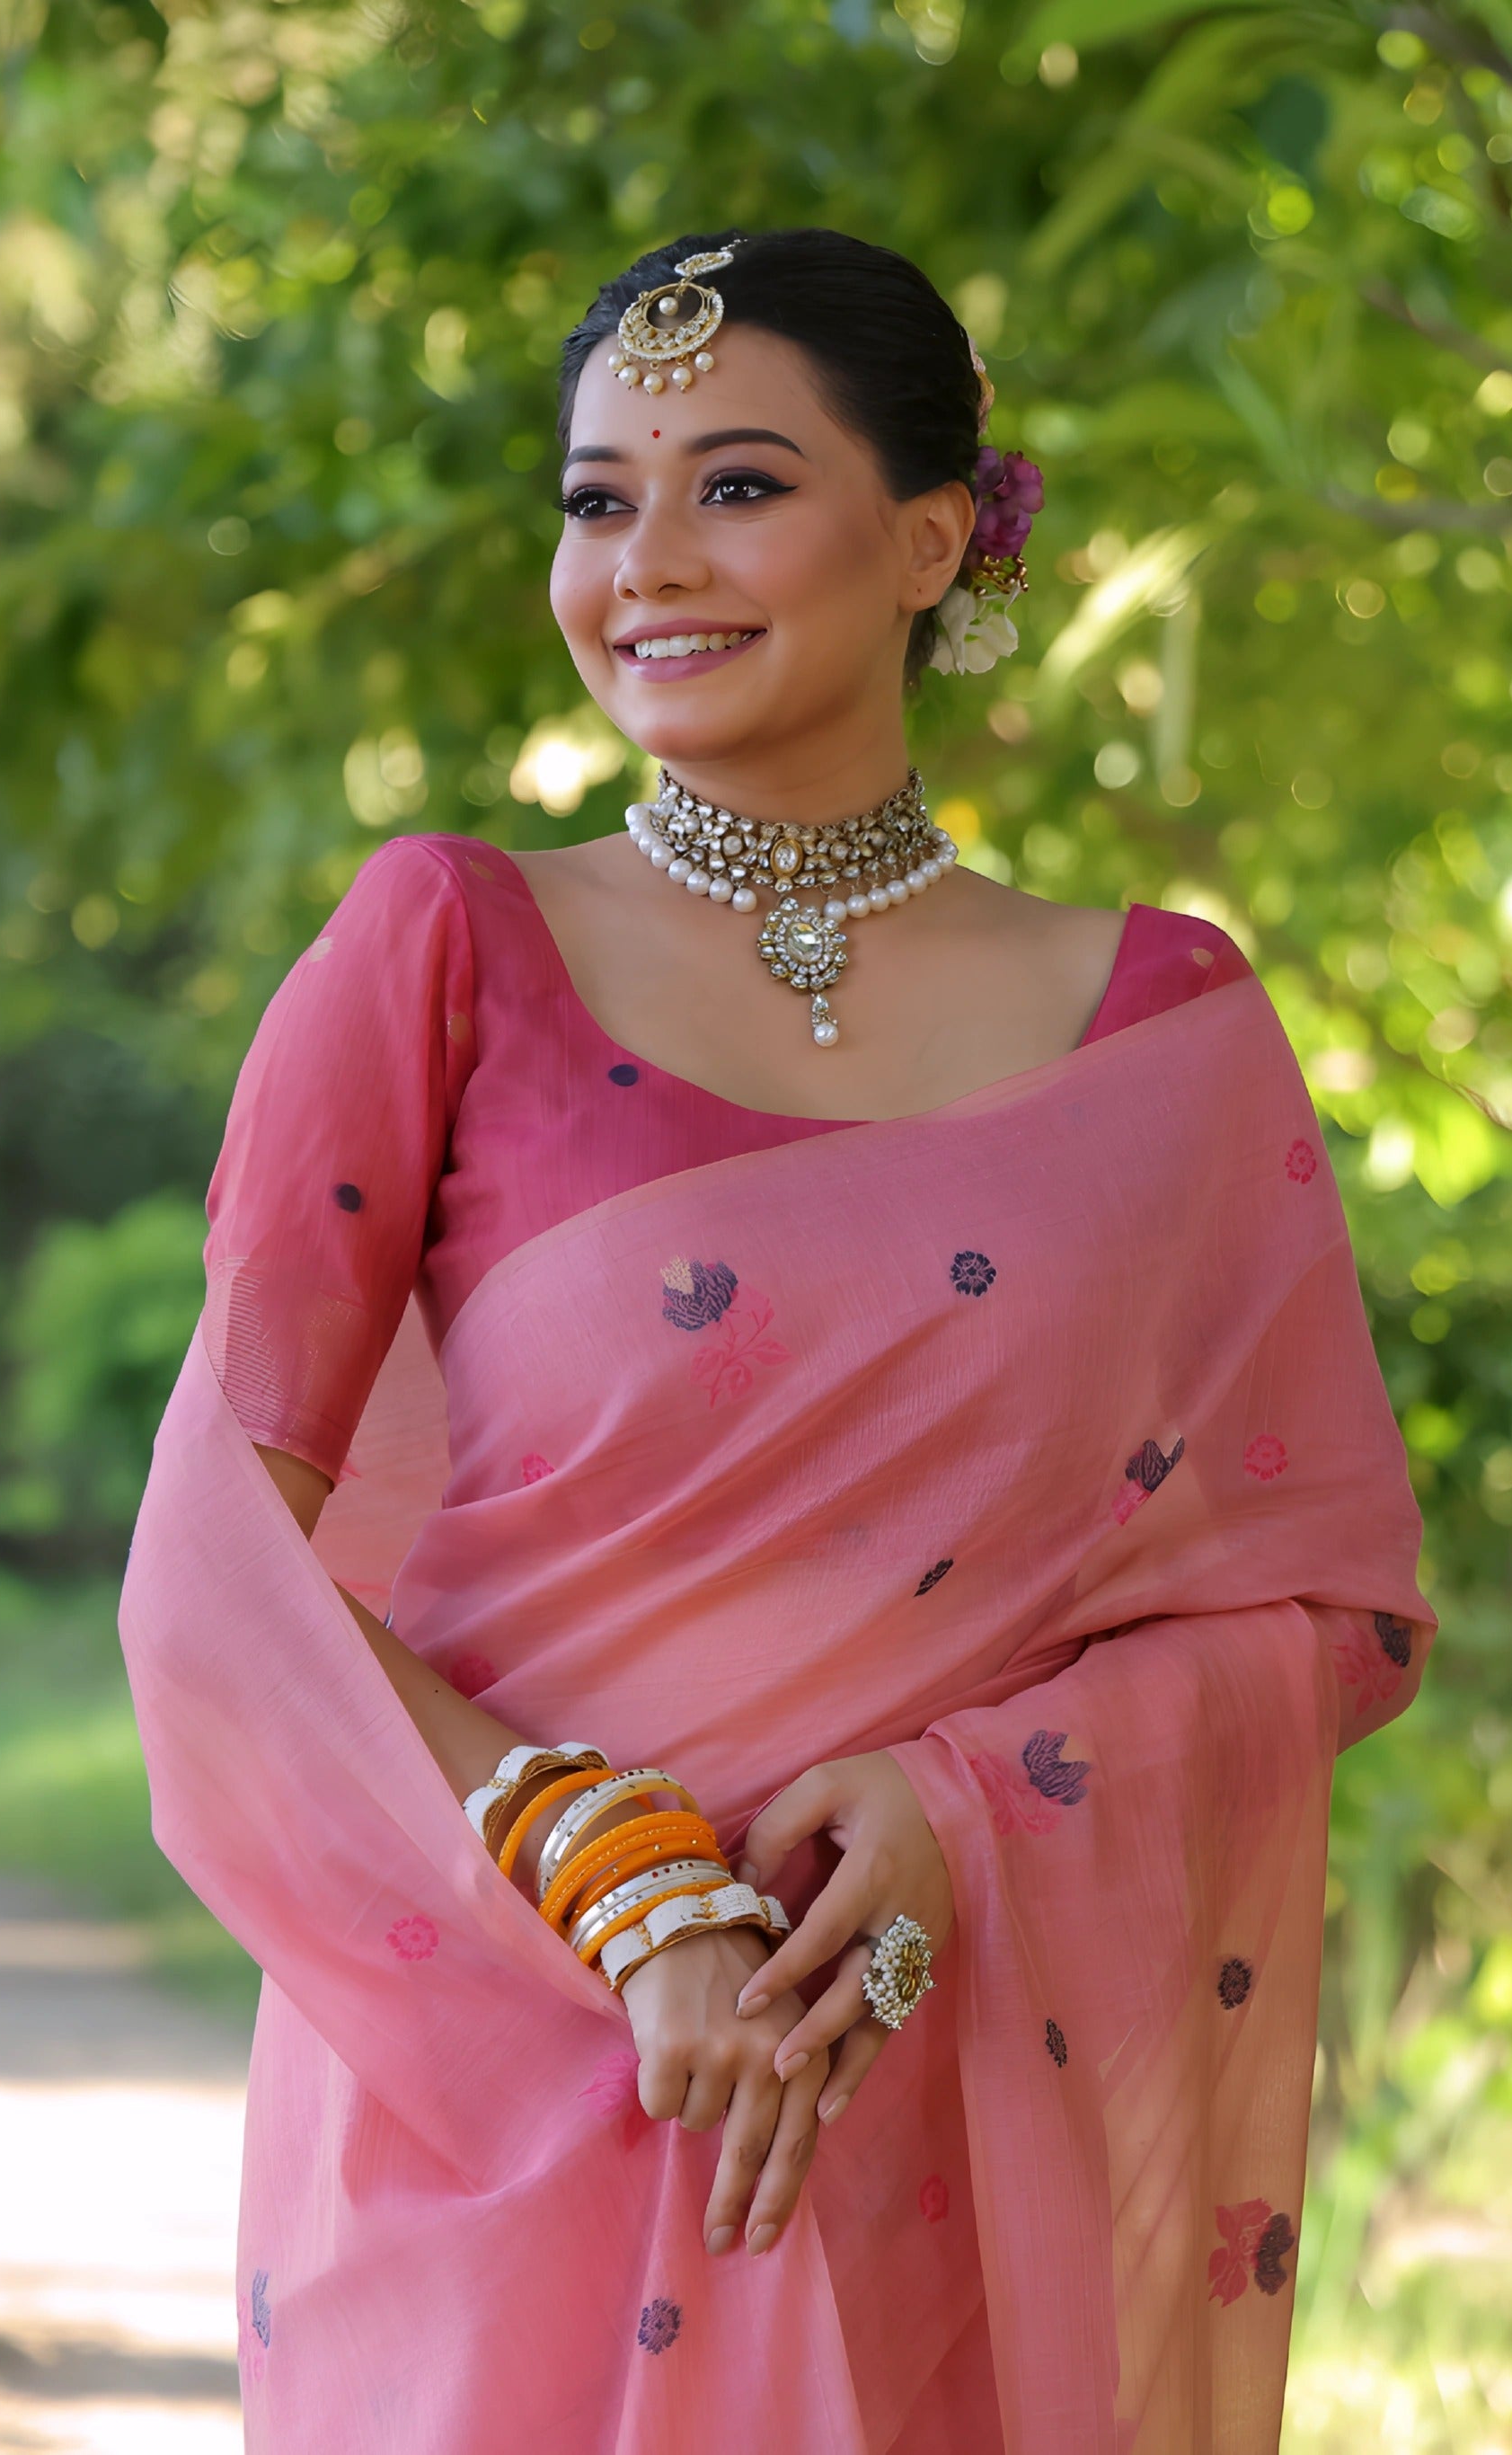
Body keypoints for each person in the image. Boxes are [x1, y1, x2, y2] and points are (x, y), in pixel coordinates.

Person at [118, 225, 1429, 2452]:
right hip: (524, 2075)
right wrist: (625, 1891)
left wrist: (958, 1812)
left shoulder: (1164, 1028)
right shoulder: (447, 946)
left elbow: (1328, 1613)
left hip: (927, 2068)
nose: (644, 560)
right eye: (594, 498)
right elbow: (215, 1563)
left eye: (734, 485)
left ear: (932, 539)